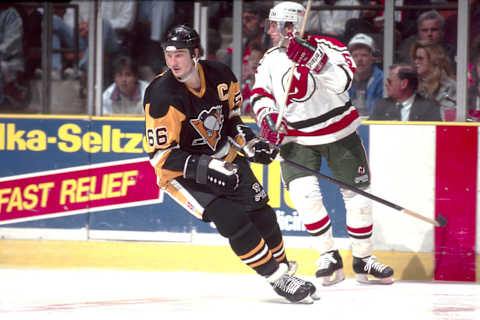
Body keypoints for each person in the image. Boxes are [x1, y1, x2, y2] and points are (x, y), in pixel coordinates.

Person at [143, 24, 318, 303]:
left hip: (222, 155)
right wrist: (208, 168)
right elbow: (161, 157)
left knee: (262, 211)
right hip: (181, 173)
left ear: (196, 53)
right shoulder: (162, 96)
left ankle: (285, 269)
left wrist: (251, 143)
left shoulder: (221, 75)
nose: (173, 61)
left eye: (180, 55)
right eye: (169, 54)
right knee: (232, 219)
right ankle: (277, 278)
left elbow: (232, 121)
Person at [251, 1, 394, 286]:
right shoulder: (269, 59)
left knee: (358, 197)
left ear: (291, 26)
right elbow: (259, 93)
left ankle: (364, 259)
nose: (270, 31)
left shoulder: (329, 47)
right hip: (296, 137)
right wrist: (266, 117)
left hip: (339, 132)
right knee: (305, 199)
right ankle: (328, 256)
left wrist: (315, 60)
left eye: (276, 25)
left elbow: (344, 81)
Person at [370, 64, 441, 121]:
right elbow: (370, 134)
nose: (386, 84)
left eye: (390, 81)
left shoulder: (429, 108)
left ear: (403, 84)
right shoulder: (381, 106)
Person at [411, 40, 456, 121]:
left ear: (433, 60)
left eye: (420, 59)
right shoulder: (414, 84)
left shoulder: (448, 86)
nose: (416, 62)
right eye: (415, 58)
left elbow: (447, 119)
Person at [347, 33, 383, 117]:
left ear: (372, 58)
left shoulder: (381, 79)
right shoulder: (343, 78)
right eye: (355, 56)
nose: (359, 60)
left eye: (364, 55)